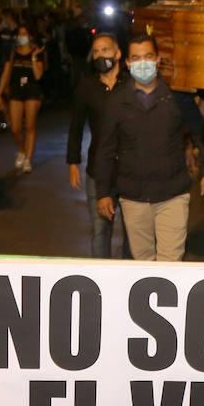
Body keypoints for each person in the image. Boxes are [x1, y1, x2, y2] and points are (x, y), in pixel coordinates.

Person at [92, 33, 204, 262]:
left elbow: (200, 134)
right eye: (136, 58)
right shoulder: (116, 102)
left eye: (148, 56)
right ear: (127, 63)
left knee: (170, 262)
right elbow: (105, 149)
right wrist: (103, 192)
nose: (142, 63)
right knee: (143, 265)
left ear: (157, 60)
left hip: (172, 194)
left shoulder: (177, 98)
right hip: (134, 197)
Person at [66, 33, 129, 258]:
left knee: (132, 234)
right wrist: (73, 161)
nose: (100, 55)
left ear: (118, 53)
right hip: (98, 170)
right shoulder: (87, 86)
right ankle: (101, 284)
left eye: (105, 50)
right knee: (101, 230)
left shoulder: (132, 84)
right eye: (96, 52)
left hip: (130, 170)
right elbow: (76, 125)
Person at [0, 25, 45, 174]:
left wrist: (33, 57)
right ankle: (22, 150)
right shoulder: (12, 54)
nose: (21, 36)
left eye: (24, 34)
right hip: (16, 91)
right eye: (19, 34)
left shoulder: (37, 53)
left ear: (30, 36)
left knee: (30, 126)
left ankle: (28, 160)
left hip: (32, 91)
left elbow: (38, 75)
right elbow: (6, 73)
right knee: (15, 127)